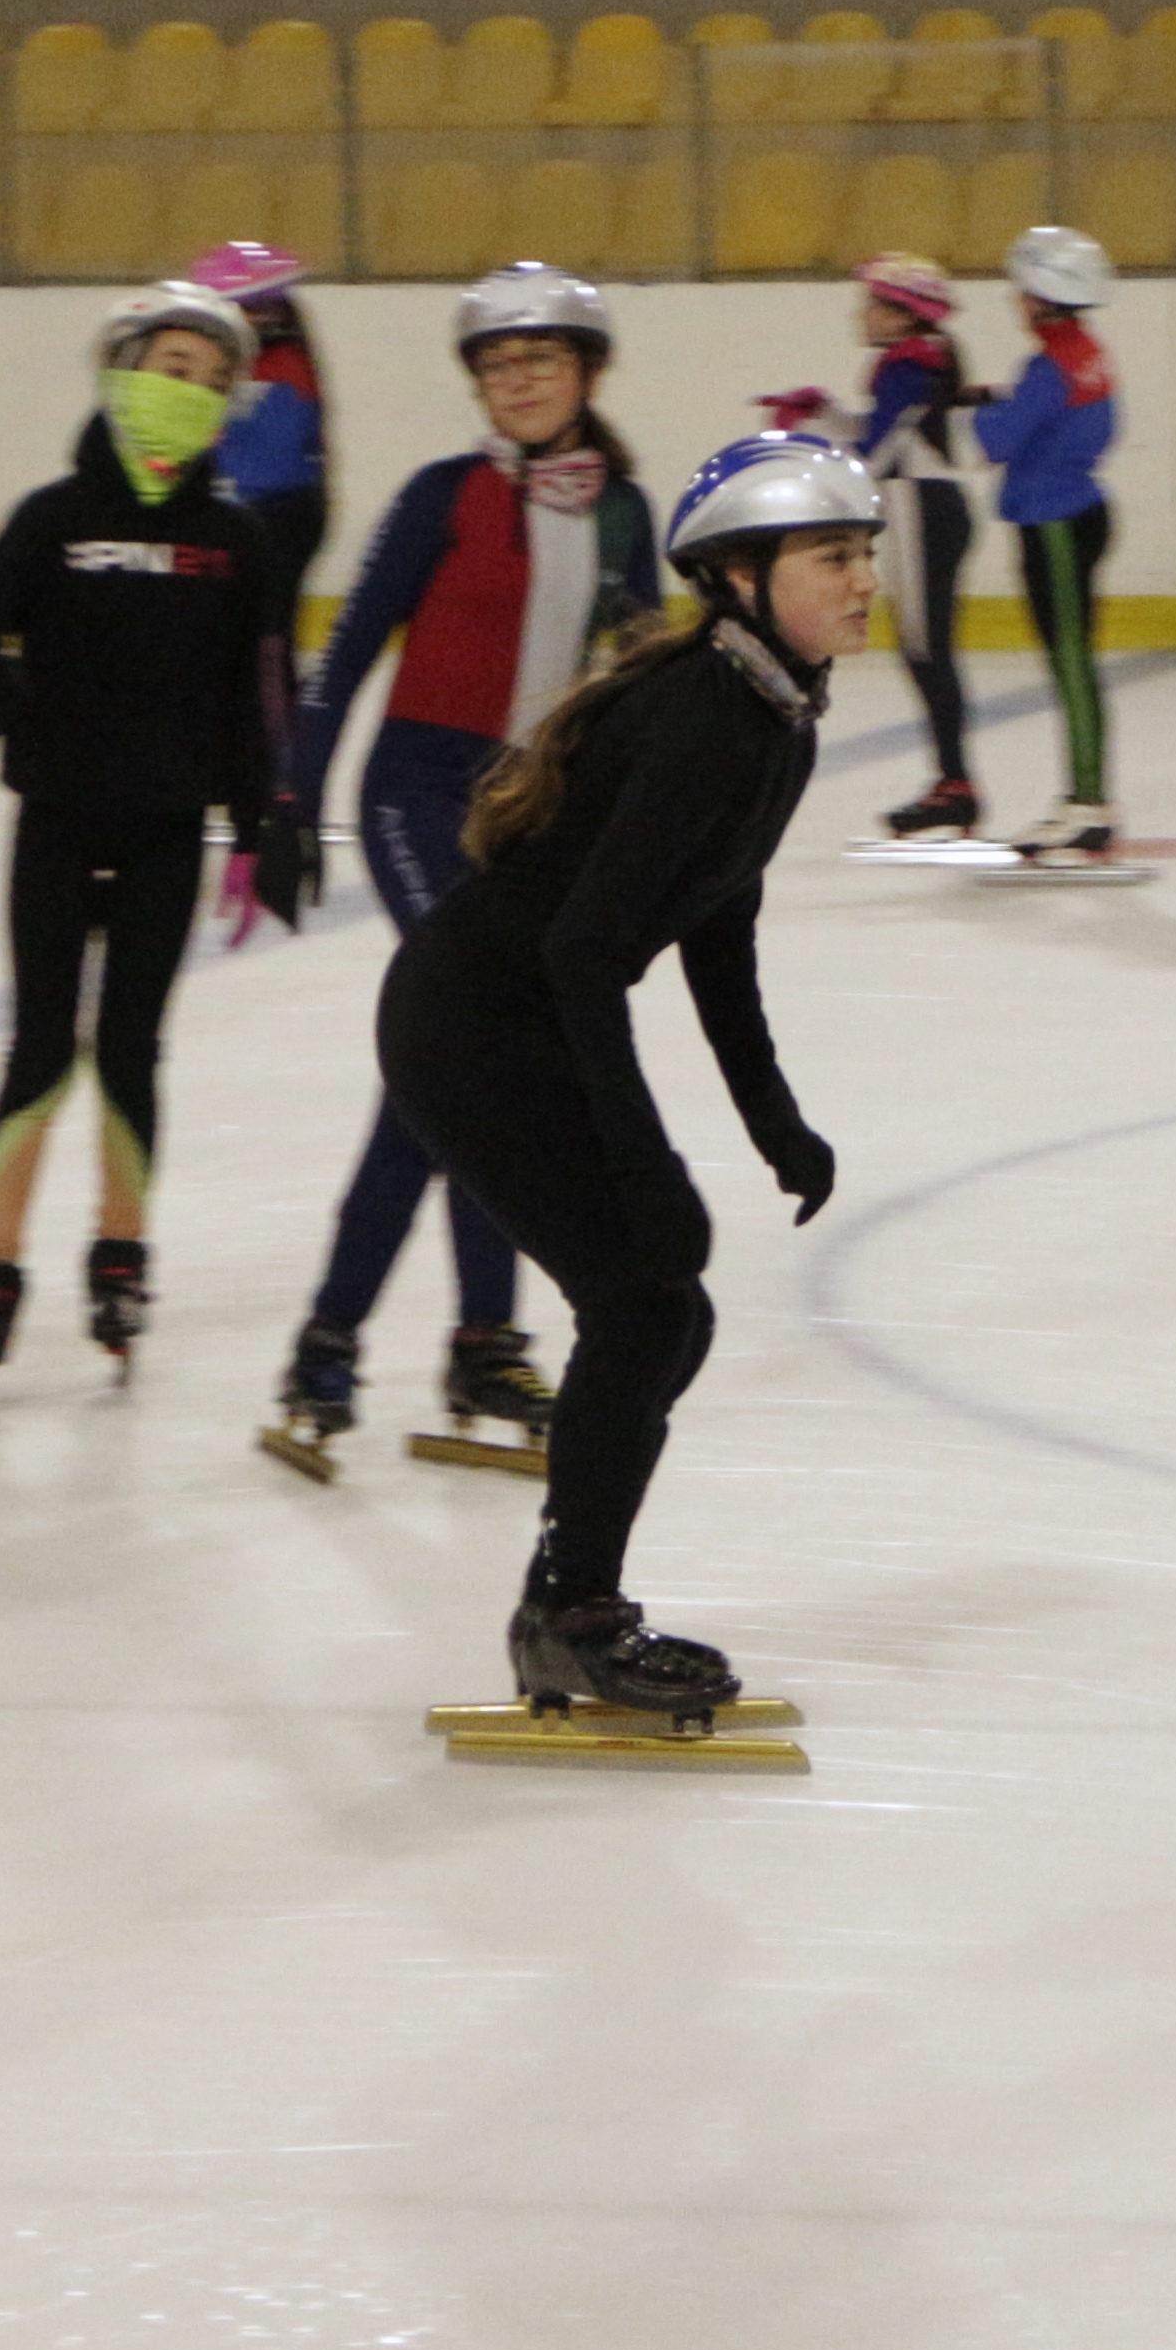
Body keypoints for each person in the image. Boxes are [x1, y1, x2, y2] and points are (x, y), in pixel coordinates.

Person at [374, 433, 874, 1725]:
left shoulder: (771, 714)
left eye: (865, 550)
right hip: (471, 1024)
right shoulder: (707, 717)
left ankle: (569, 1605)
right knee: (649, 1304)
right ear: (744, 574)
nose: (865, 576)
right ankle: (570, 1617)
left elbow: (716, 928)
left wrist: (776, 1122)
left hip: (514, 1012)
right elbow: (586, 951)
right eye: (835, 554)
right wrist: (646, 1161)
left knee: (658, 1307)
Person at [265, 265, 662, 1472]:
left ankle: (407, 1343)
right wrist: (291, 800)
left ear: (588, 374)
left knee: (460, 1072)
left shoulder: (619, 514)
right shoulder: (441, 496)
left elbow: (637, 687)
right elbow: (342, 650)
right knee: (474, 1044)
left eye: (540, 360)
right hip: (416, 795)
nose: (519, 381)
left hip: (520, 814)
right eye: (498, 366)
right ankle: (404, 1342)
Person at [0, 279, 308, 1401]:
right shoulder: (51, 519)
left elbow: (257, 702)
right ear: (119, 375)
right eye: (165, 368)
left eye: (206, 378)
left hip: (164, 836)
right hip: (54, 819)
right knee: (40, 1047)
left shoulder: (234, 543)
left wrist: (258, 825)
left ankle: (120, 1253)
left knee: (132, 1048)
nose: (182, 391)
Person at [754, 250, 984, 840]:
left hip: (917, 512)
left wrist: (805, 442)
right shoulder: (916, 363)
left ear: (903, 313)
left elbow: (874, 458)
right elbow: (881, 434)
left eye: (872, 302)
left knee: (925, 649)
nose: (861, 313)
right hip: (928, 508)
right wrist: (824, 414)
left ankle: (955, 784)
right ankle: (953, 781)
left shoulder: (907, 367)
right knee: (926, 649)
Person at [969, 223, 1120, 863]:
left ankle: (1088, 806)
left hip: (1052, 522)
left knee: (1070, 664)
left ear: (1042, 293)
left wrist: (980, 411)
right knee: (1072, 662)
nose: (1015, 299)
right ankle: (1084, 799)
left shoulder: (1046, 365)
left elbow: (995, 442)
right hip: (1075, 509)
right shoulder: (1084, 350)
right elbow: (1100, 424)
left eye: (1021, 288)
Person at [194, 241, 331, 592]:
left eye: (262, 309)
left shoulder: (285, 365)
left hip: (275, 512)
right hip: (249, 512)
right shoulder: (245, 363)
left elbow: (272, 457)